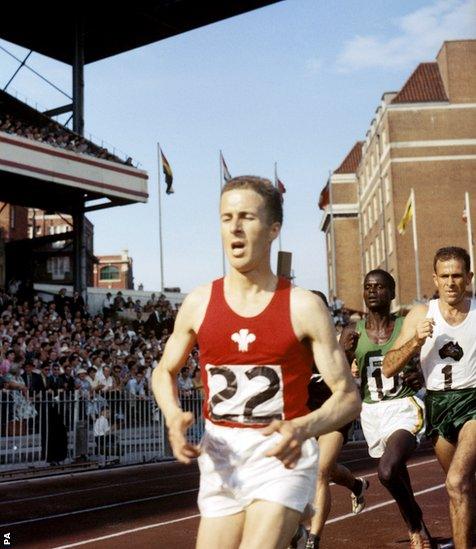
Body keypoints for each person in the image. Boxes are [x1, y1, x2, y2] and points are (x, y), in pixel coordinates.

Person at [152, 176, 360, 549]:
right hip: (220, 457)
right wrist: (172, 416)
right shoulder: (199, 302)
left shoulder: (302, 306)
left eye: (247, 217)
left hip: (280, 456)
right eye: (226, 217)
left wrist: (303, 426)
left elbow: (347, 396)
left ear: (273, 229)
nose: (234, 227)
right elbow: (164, 371)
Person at [383, 247, 476, 549]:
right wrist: (415, 341)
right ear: (435, 279)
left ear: (469, 278)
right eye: (445, 276)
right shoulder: (421, 314)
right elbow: (388, 367)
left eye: (457, 276)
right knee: (460, 490)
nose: (451, 282)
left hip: (472, 401)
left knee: (456, 481)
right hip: (438, 405)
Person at [340, 269, 430, 549]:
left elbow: (429, 358)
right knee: (397, 473)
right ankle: (416, 528)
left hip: (403, 406)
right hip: (372, 412)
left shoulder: (406, 323)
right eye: (368, 286)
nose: (373, 291)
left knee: (387, 471)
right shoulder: (352, 331)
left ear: (391, 293)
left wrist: (421, 375)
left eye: (380, 287)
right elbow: (339, 376)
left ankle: (415, 520)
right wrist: (344, 354)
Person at [304, 292, 368, 549]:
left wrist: (346, 355)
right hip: (306, 415)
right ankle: (356, 485)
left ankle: (313, 540)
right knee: (324, 471)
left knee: (320, 470)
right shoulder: (292, 343)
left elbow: (358, 366)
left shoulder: (344, 338)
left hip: (336, 412)